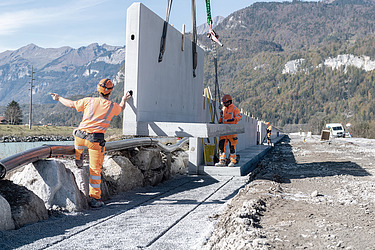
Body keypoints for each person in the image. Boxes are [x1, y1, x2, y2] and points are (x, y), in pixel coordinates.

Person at [50, 78, 132, 208]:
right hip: (95, 140)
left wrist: (58, 98)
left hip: (80, 136)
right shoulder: (112, 106)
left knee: (77, 136)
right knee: (95, 169)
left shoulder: (89, 101)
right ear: (110, 92)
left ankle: (78, 156)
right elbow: (121, 108)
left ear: (98, 90)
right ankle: (95, 198)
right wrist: (124, 99)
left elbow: (71, 104)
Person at [215, 94, 242, 167]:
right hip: (224, 130)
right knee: (221, 146)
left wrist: (234, 119)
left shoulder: (234, 109)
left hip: (232, 131)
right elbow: (221, 119)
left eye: (225, 103)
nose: (224, 104)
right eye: (223, 103)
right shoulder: (223, 109)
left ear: (229, 102)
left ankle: (233, 161)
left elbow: (239, 117)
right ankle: (222, 161)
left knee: (232, 146)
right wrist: (220, 122)